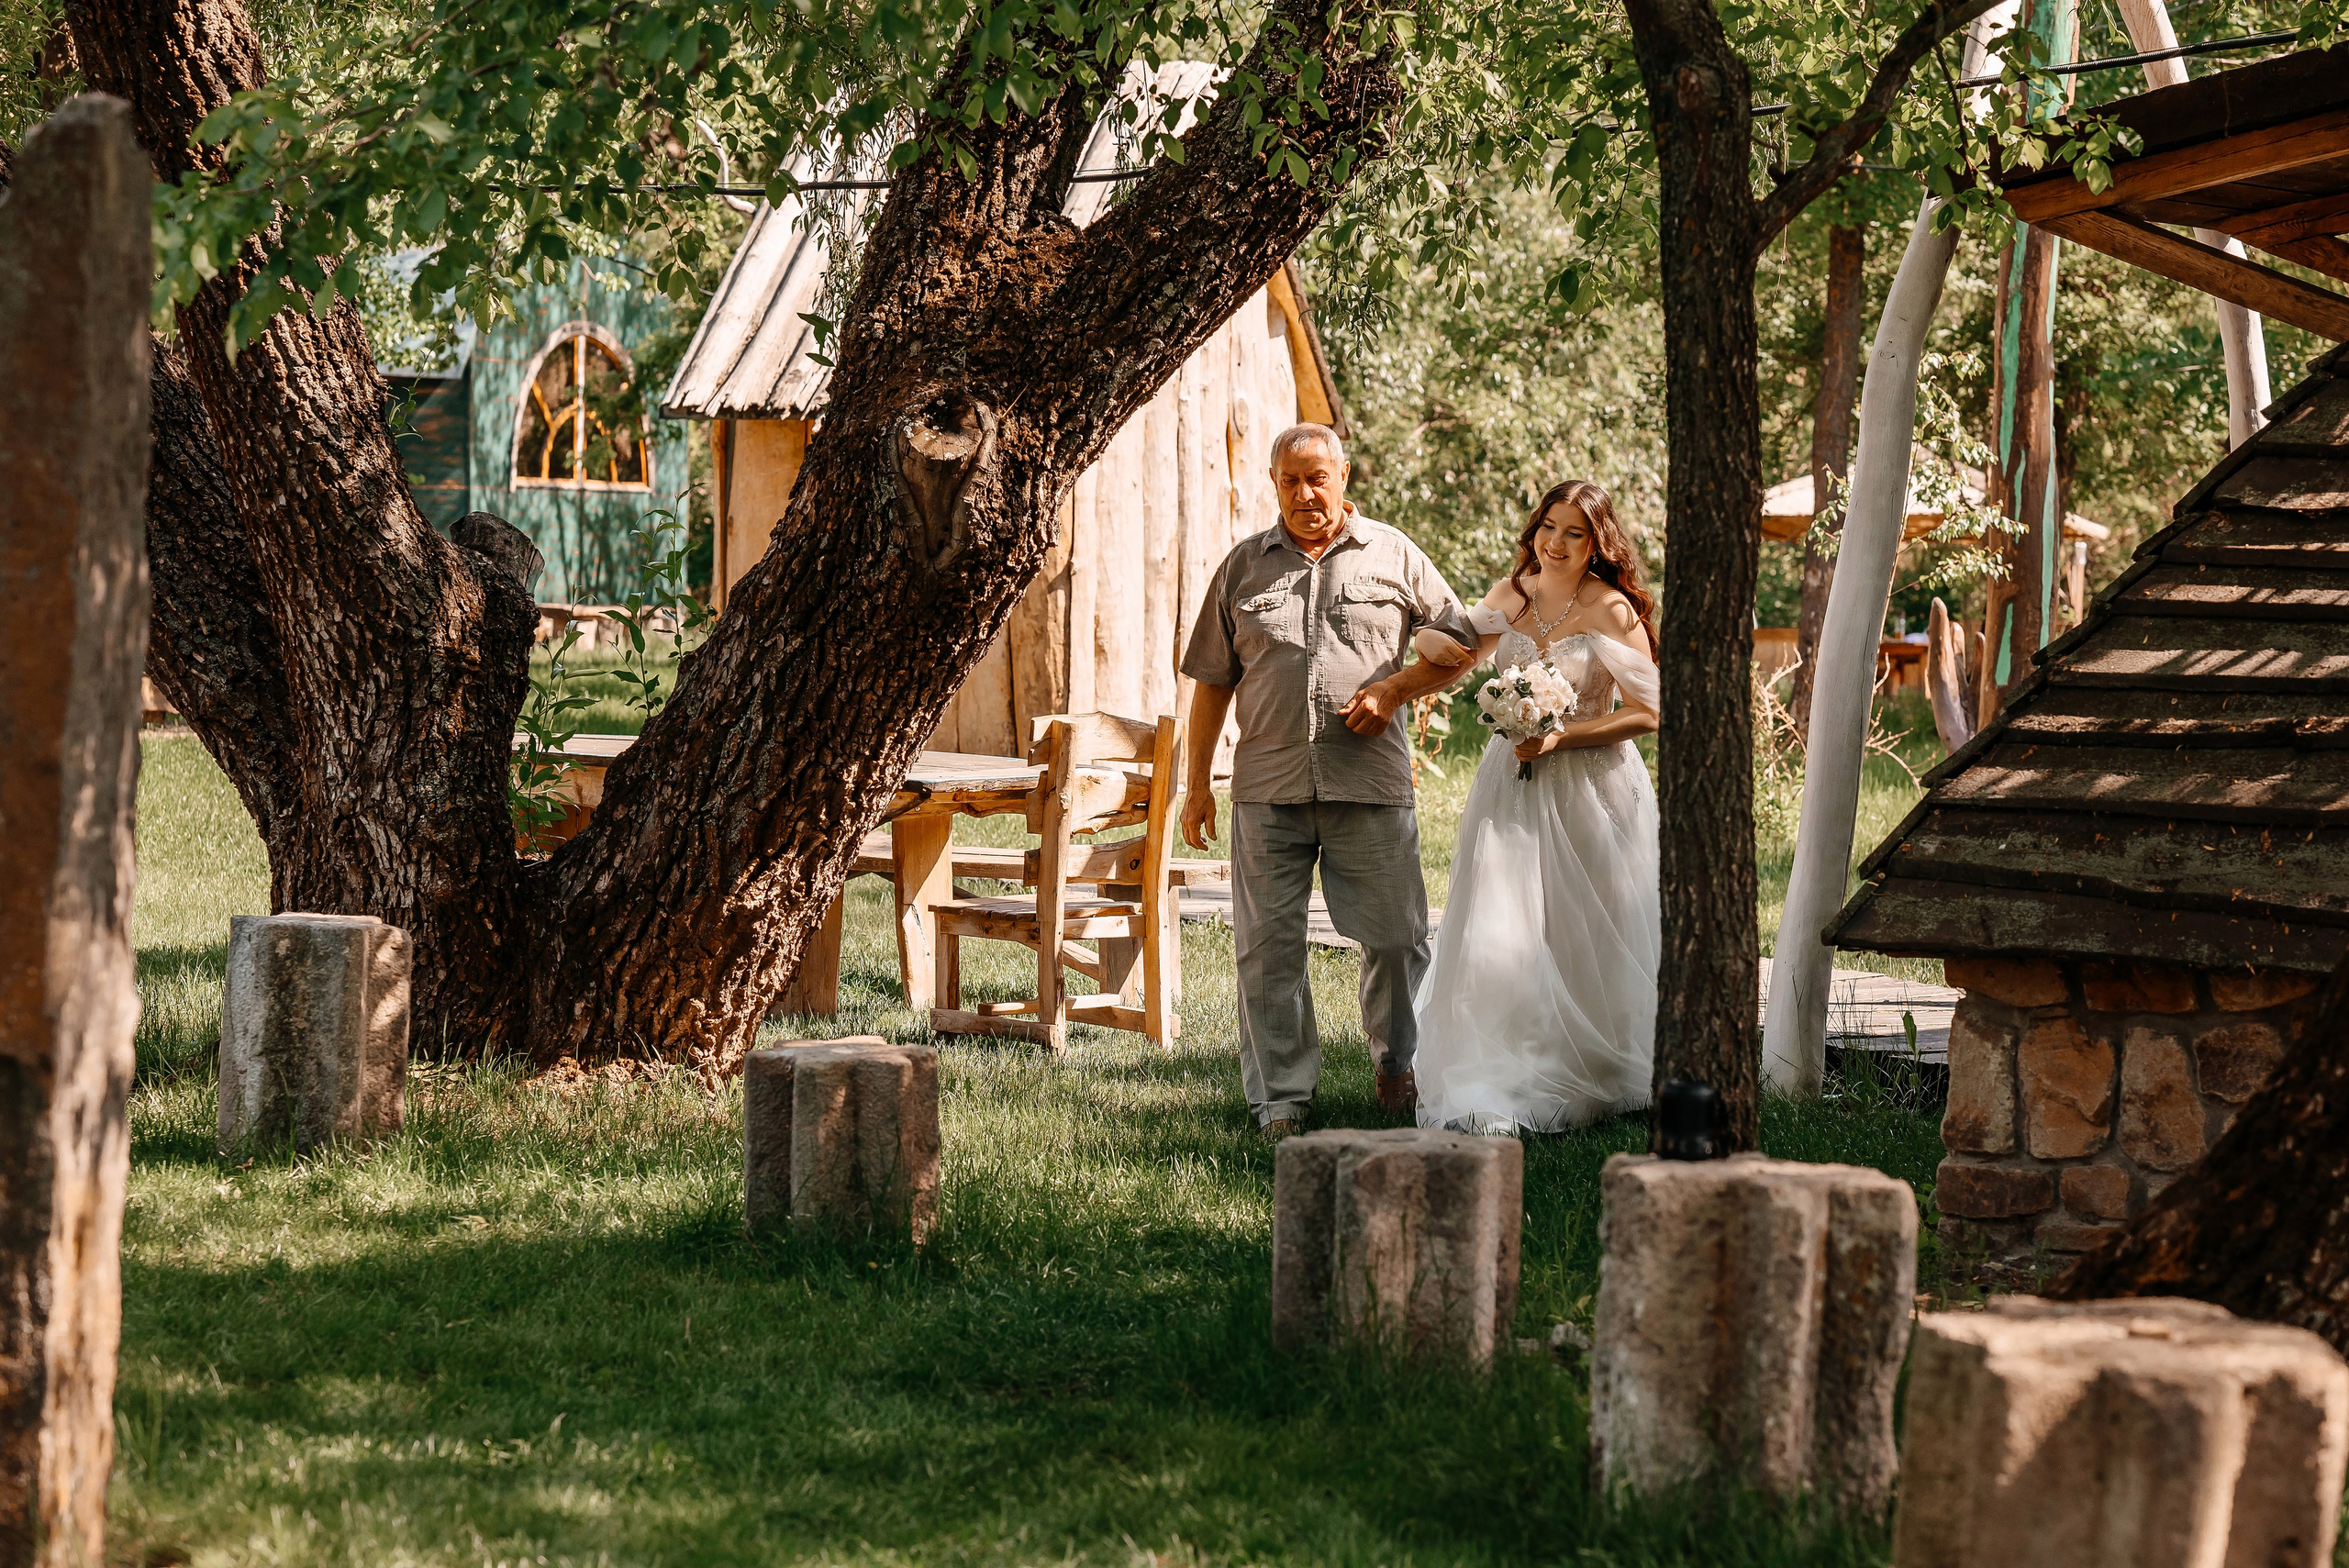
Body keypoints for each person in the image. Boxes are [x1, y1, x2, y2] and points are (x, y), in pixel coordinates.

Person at [1178, 423, 1476, 1140]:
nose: (1306, 493)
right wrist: (1196, 786)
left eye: (1319, 477)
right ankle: (1281, 1100)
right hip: (1267, 785)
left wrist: (1397, 689)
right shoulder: (1244, 565)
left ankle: (1399, 1067)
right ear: (1274, 484)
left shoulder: (1394, 553)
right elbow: (1213, 683)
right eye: (1291, 480)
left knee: (1398, 939)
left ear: (1345, 477)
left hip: (1368, 782)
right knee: (1265, 946)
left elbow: (1464, 641)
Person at [1406, 479, 1662, 1135]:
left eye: (1575, 532)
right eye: (1549, 526)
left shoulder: (1612, 610)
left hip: (1591, 785)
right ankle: (1499, 1070)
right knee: (1501, 919)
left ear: (1597, 542)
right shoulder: (1514, 592)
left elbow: (1651, 711)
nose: (1556, 543)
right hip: (1511, 783)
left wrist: (1561, 735)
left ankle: (1592, 1064)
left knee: (1582, 927)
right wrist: (1425, 645)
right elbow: (1456, 641)